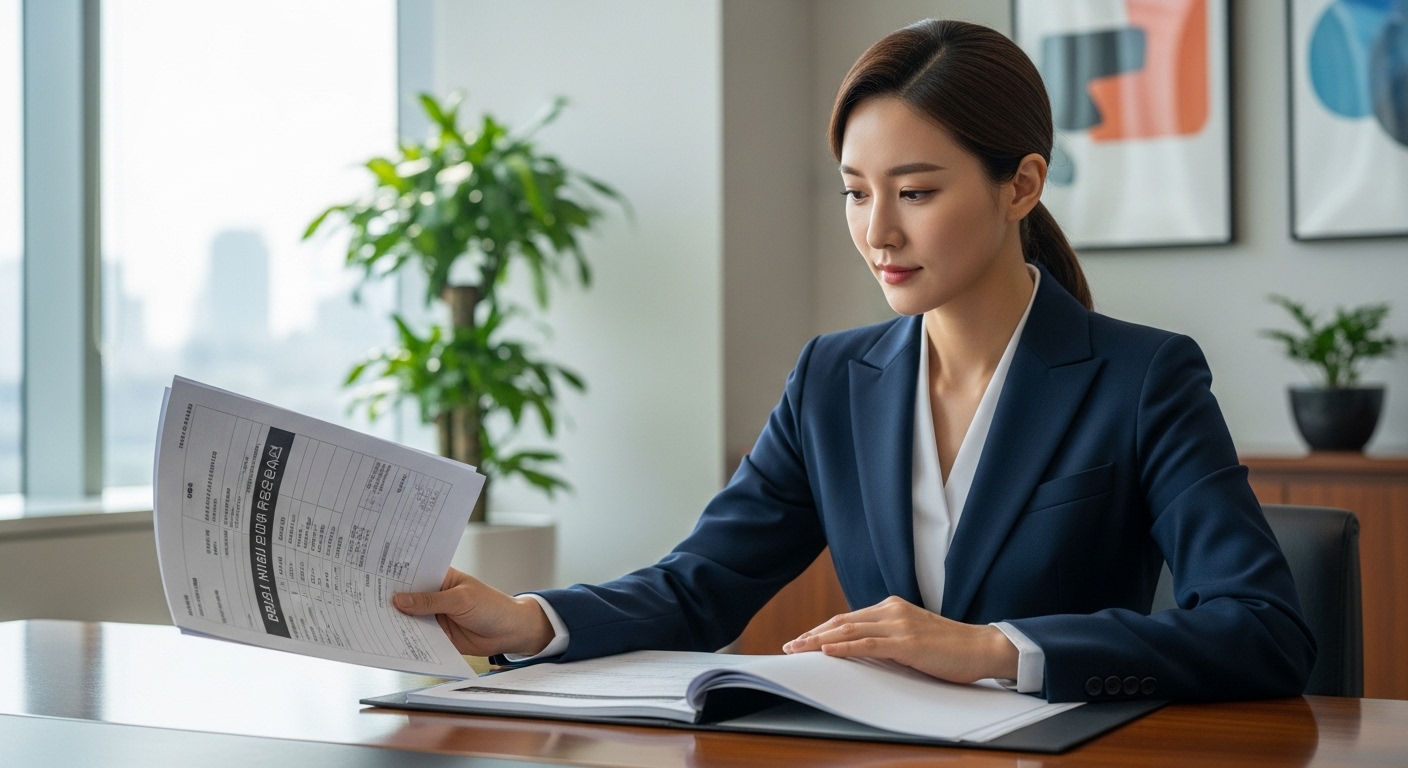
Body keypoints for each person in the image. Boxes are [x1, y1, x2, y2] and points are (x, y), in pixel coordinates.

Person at [392, 19, 1315, 702]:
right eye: (855, 192)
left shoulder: (1141, 378)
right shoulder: (832, 380)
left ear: (1020, 186)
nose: (878, 231)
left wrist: (996, 647)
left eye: (915, 191)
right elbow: (700, 585)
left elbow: (1262, 630)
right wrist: (530, 620)